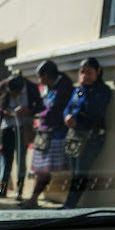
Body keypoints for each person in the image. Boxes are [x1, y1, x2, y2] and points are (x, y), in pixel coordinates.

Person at [21, 60, 73, 209]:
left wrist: (35, 113)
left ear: (46, 75)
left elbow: (54, 109)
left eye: (40, 77)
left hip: (55, 133)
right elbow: (43, 105)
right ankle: (34, 198)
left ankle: (33, 198)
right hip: (44, 132)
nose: (39, 81)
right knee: (40, 168)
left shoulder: (63, 87)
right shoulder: (47, 87)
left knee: (43, 169)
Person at [62, 57, 111, 209]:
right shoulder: (78, 90)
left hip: (92, 138)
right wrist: (67, 117)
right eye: (82, 72)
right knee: (74, 172)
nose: (85, 76)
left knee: (81, 172)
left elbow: (93, 110)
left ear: (98, 72)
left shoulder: (103, 91)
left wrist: (85, 92)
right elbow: (68, 108)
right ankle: (69, 204)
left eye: (89, 72)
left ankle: (70, 205)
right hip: (75, 137)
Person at [0, 70, 42, 199]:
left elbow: (40, 106)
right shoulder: (3, 85)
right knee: (6, 157)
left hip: (24, 127)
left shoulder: (31, 87)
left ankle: (20, 189)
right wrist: (3, 112)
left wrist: (29, 111)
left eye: (17, 93)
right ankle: (2, 188)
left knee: (21, 158)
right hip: (8, 126)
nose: (14, 95)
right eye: (12, 93)